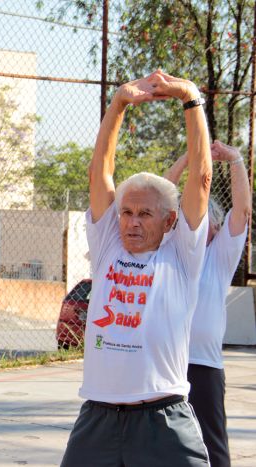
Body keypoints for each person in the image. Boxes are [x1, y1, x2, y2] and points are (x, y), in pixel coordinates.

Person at [60, 70, 212, 466]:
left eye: (145, 213)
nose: (131, 222)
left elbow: (202, 177)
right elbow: (100, 172)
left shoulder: (181, 255)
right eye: (126, 212)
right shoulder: (108, 244)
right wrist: (119, 104)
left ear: (169, 221)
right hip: (98, 417)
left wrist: (191, 99)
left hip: (163, 418)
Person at [164, 140, 251, 467]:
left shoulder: (219, 256)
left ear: (215, 226)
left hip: (204, 366)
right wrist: (188, 157)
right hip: (164, 362)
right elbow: (160, 194)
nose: (200, 228)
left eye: (206, 222)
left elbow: (242, 210)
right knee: (161, 445)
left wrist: (235, 160)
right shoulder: (170, 248)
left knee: (212, 448)